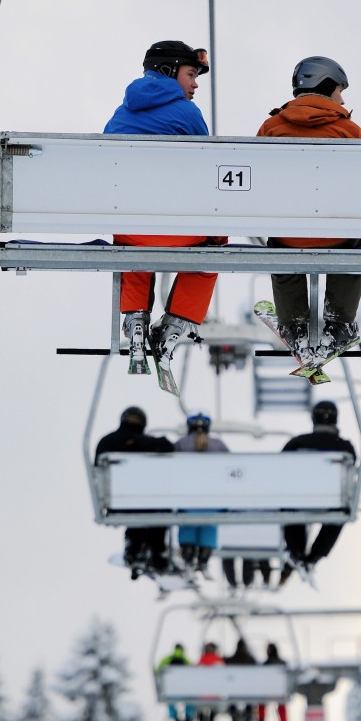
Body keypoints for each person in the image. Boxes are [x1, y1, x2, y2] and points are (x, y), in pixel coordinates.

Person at [103, 40, 226, 377]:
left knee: (130, 245)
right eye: (191, 74)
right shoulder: (187, 114)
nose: (195, 83)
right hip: (181, 231)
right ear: (170, 71)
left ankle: (135, 318)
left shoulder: (121, 114)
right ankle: (177, 322)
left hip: (132, 229)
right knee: (215, 244)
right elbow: (209, 168)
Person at [257, 56, 361, 365]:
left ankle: (293, 324)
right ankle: (339, 321)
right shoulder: (349, 131)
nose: (342, 99)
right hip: (338, 237)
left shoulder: (271, 128)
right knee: (353, 247)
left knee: (279, 248)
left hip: (289, 236)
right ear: (327, 86)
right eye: (339, 91)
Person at [279, 400, 357, 586]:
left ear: (314, 419)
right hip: (332, 503)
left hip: (298, 502)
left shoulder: (297, 443)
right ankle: (314, 556)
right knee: (338, 517)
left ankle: (296, 552)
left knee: (291, 510)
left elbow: (280, 469)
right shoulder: (345, 448)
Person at [95, 406, 174, 574]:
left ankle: (134, 548)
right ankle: (157, 551)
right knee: (154, 507)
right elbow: (167, 446)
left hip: (115, 502)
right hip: (146, 503)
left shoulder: (106, 443)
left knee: (138, 504)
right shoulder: (146, 443)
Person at [174, 412, 229, 575]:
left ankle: (188, 555)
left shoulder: (180, 444)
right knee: (210, 522)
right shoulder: (218, 445)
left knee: (188, 521)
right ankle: (204, 559)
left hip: (187, 503)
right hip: (214, 504)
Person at [155, 642, 195, 721]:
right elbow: (194, 672)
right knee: (190, 701)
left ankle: (174, 716)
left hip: (171, 691)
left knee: (170, 701)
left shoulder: (166, 659)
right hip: (185, 691)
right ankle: (188, 717)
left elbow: (158, 670)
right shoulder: (186, 660)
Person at [225, 638, 258, 721]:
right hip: (247, 691)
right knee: (249, 703)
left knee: (232, 703)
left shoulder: (231, 659)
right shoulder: (251, 660)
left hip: (234, 691)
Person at [196, 640, 225, 721]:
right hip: (214, 696)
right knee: (215, 707)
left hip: (201, 696)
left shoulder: (200, 661)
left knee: (199, 707)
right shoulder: (219, 661)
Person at [257, 642, 288, 721]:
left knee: (261, 702)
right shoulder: (283, 663)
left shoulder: (265, 664)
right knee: (282, 705)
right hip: (280, 691)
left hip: (267, 691)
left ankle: (261, 720)